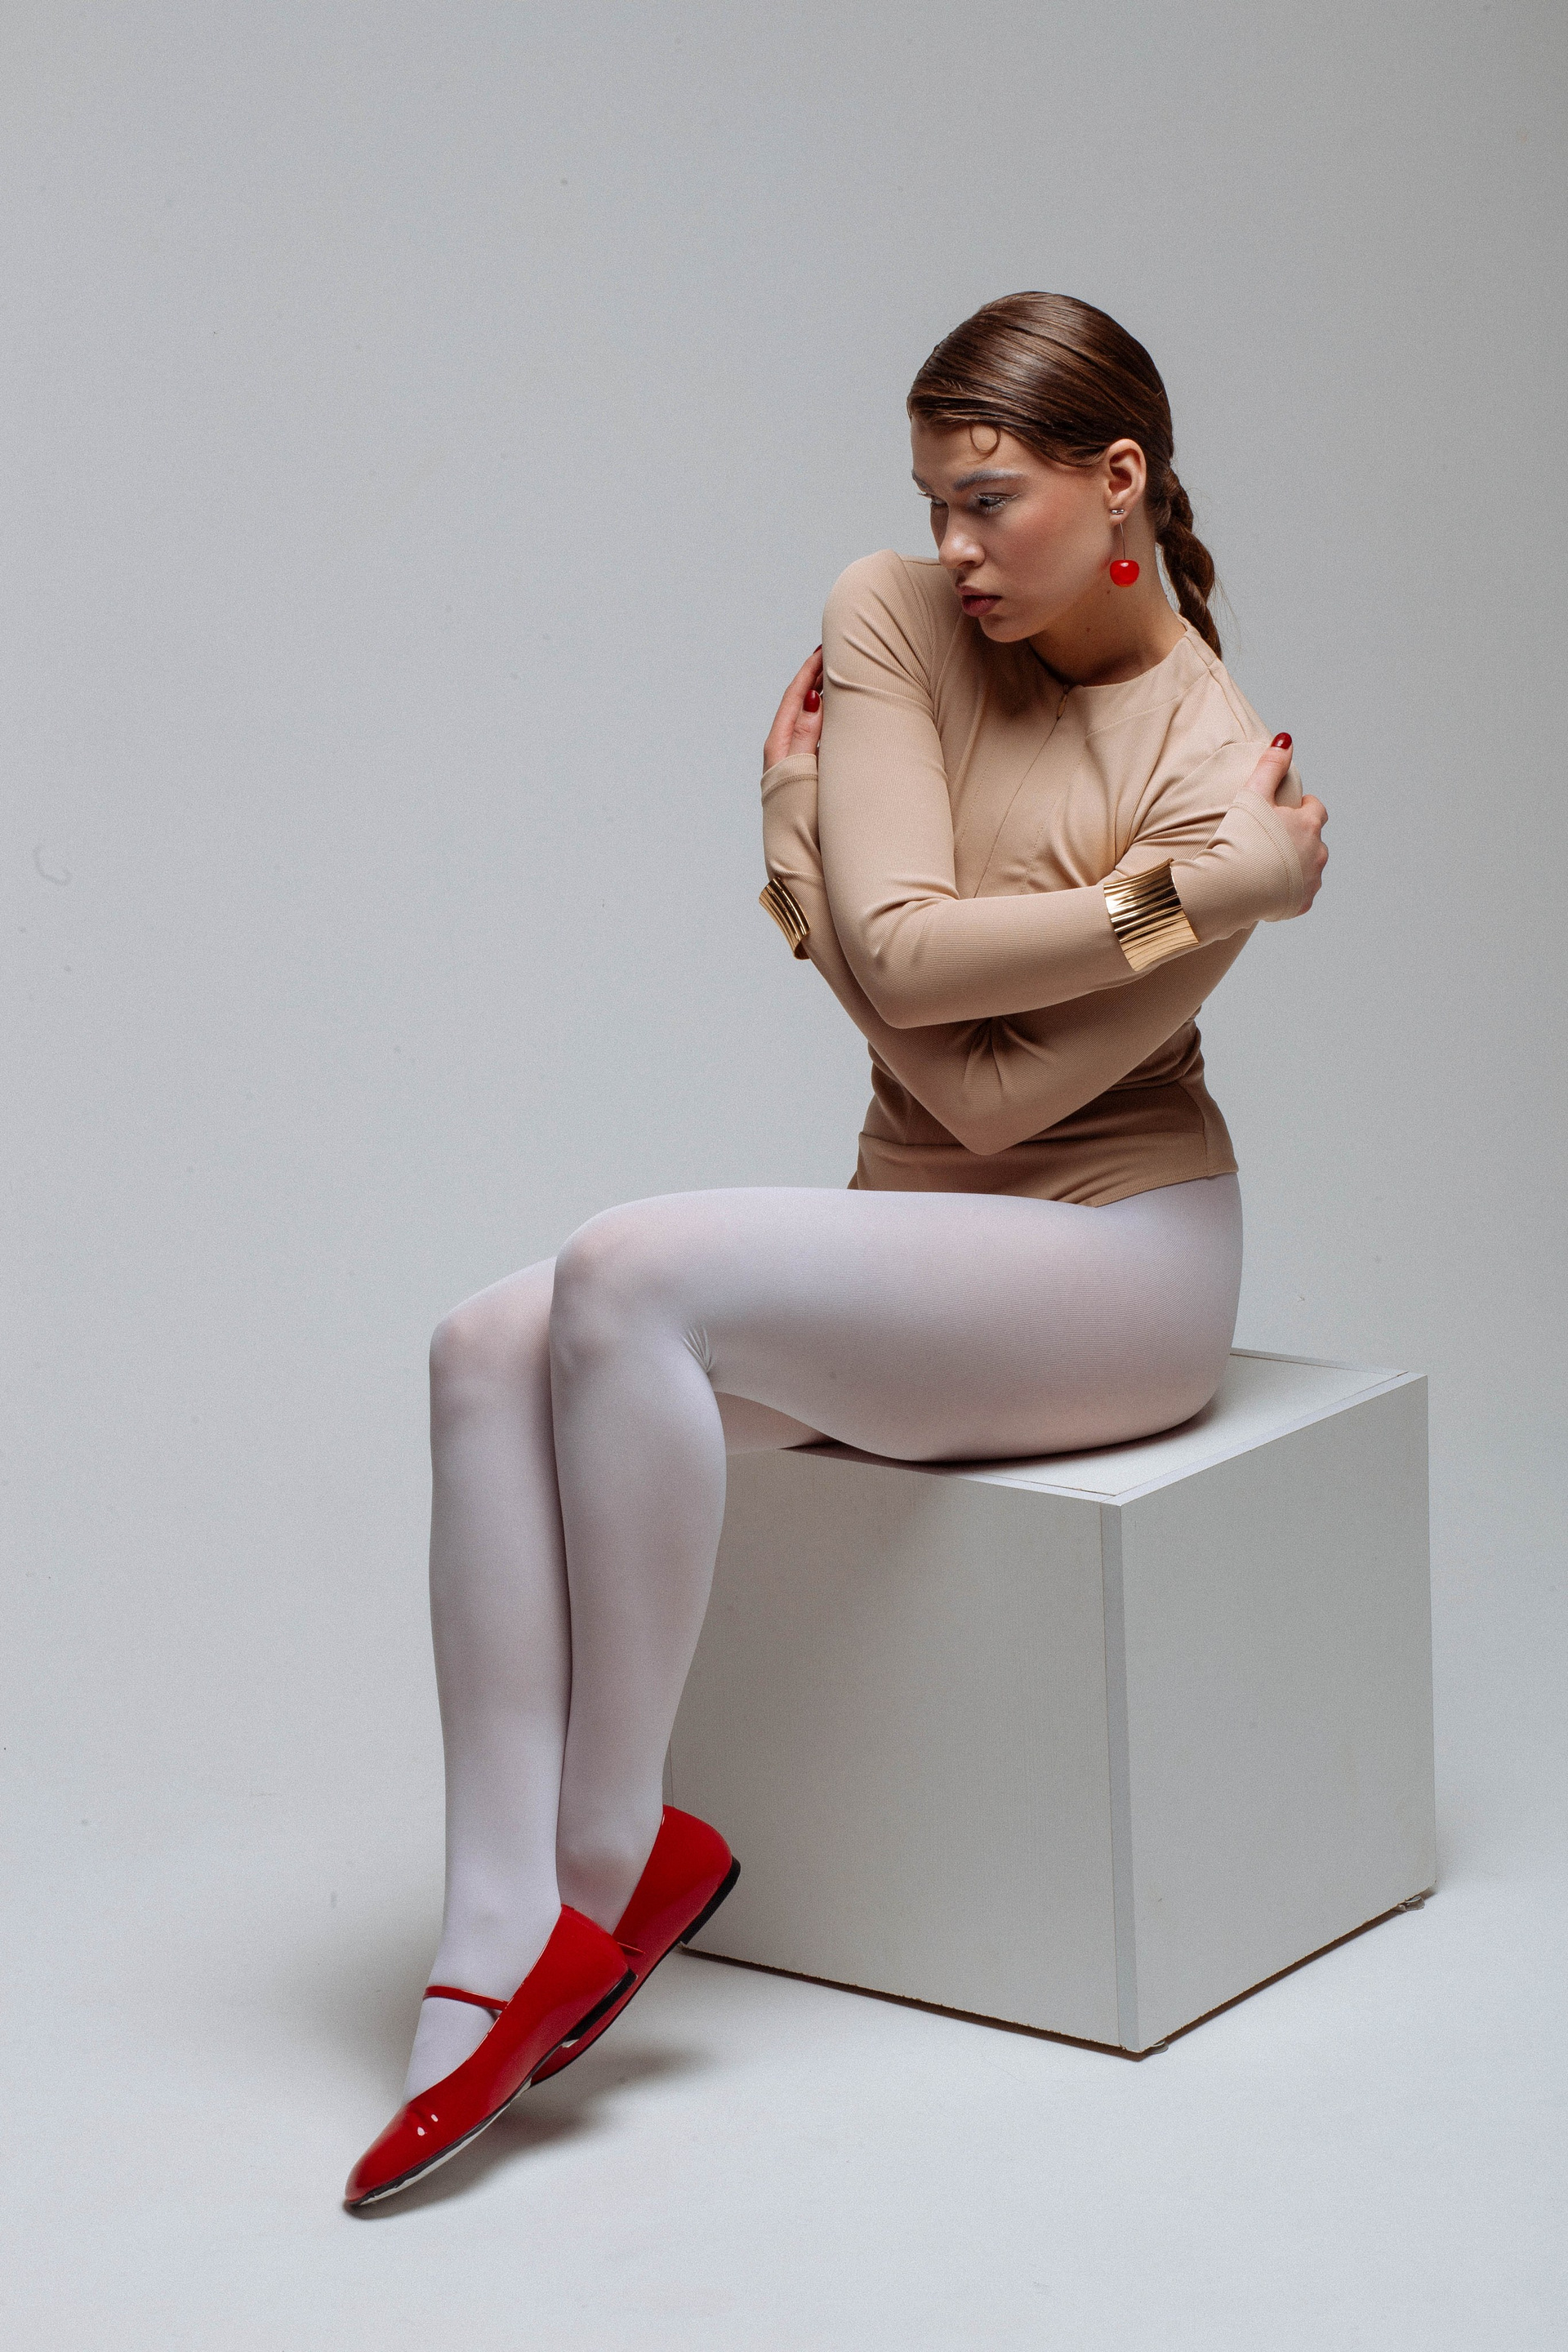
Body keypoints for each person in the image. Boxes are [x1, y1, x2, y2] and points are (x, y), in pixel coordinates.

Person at [344, 292, 1329, 2207]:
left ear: (1118, 482)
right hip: (923, 1251)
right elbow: (903, 965)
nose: (954, 546)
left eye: (992, 501)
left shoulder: (1222, 760)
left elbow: (991, 1102)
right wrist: (866, 876)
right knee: (480, 1344)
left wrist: (1133, 886)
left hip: (1113, 1255)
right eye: (933, 499)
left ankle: (611, 1860)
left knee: (631, 1266)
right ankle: (491, 1935)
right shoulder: (899, 616)